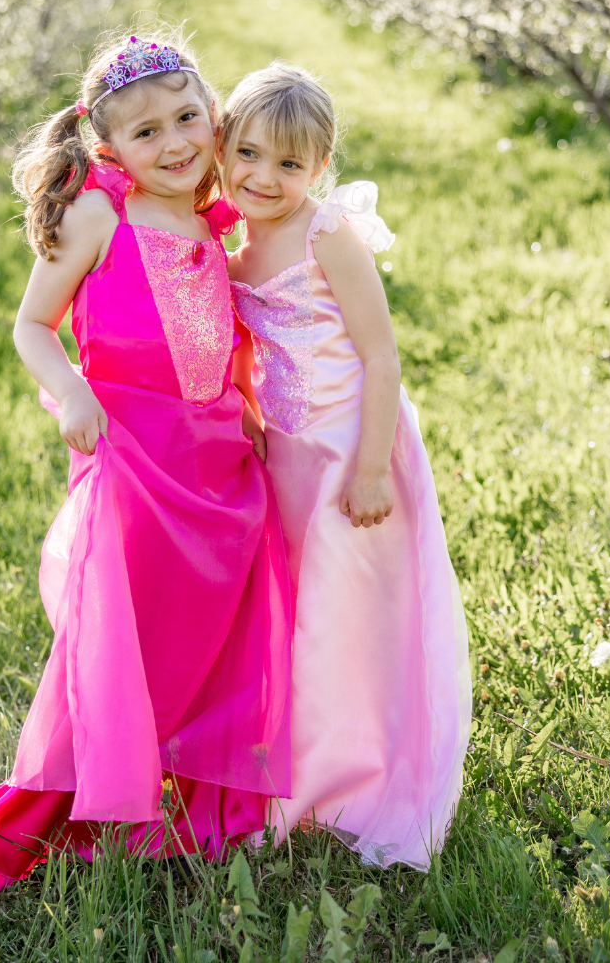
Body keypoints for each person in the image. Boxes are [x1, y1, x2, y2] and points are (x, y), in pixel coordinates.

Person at [0, 32, 293, 890]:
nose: (174, 144)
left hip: (212, 454)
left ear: (213, 115)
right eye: (147, 134)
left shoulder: (212, 209)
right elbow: (32, 326)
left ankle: (205, 797)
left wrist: (246, 404)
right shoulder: (101, 211)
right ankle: (86, 798)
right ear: (108, 145)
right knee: (124, 629)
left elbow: (222, 326)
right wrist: (74, 395)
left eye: (188, 119)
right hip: (130, 450)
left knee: (216, 623)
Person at [222, 63, 472, 870]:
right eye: (250, 154)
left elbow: (380, 356)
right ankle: (310, 768)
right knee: (306, 614)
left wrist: (370, 470)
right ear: (225, 147)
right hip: (293, 455)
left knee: (359, 611)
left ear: (321, 168)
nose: (265, 177)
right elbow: (249, 356)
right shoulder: (234, 244)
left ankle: (370, 771)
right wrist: (254, 428)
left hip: (355, 447)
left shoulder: (328, 232)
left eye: (290, 165)